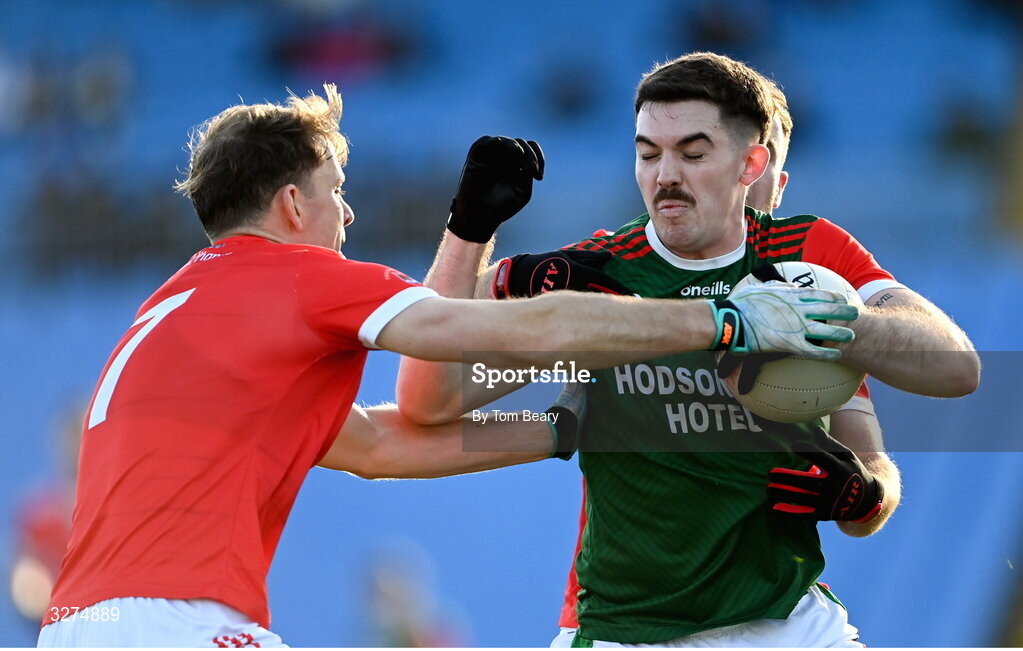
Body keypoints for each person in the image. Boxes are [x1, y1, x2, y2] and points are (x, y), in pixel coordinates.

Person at [35, 84, 855, 647]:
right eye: (334, 188)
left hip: (78, 625)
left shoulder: (176, 305)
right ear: (290, 203)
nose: (346, 212)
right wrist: (723, 319)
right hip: (176, 622)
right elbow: (497, 332)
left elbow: (377, 444)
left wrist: (563, 426)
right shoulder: (296, 277)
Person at [396, 52, 979, 647]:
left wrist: (866, 488)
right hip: (628, 631)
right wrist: (470, 232)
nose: (666, 175)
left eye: (692, 154)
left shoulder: (805, 261)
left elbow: (955, 370)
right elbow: (428, 398)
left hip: (791, 626)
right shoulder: (600, 273)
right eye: (648, 154)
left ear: (752, 164)